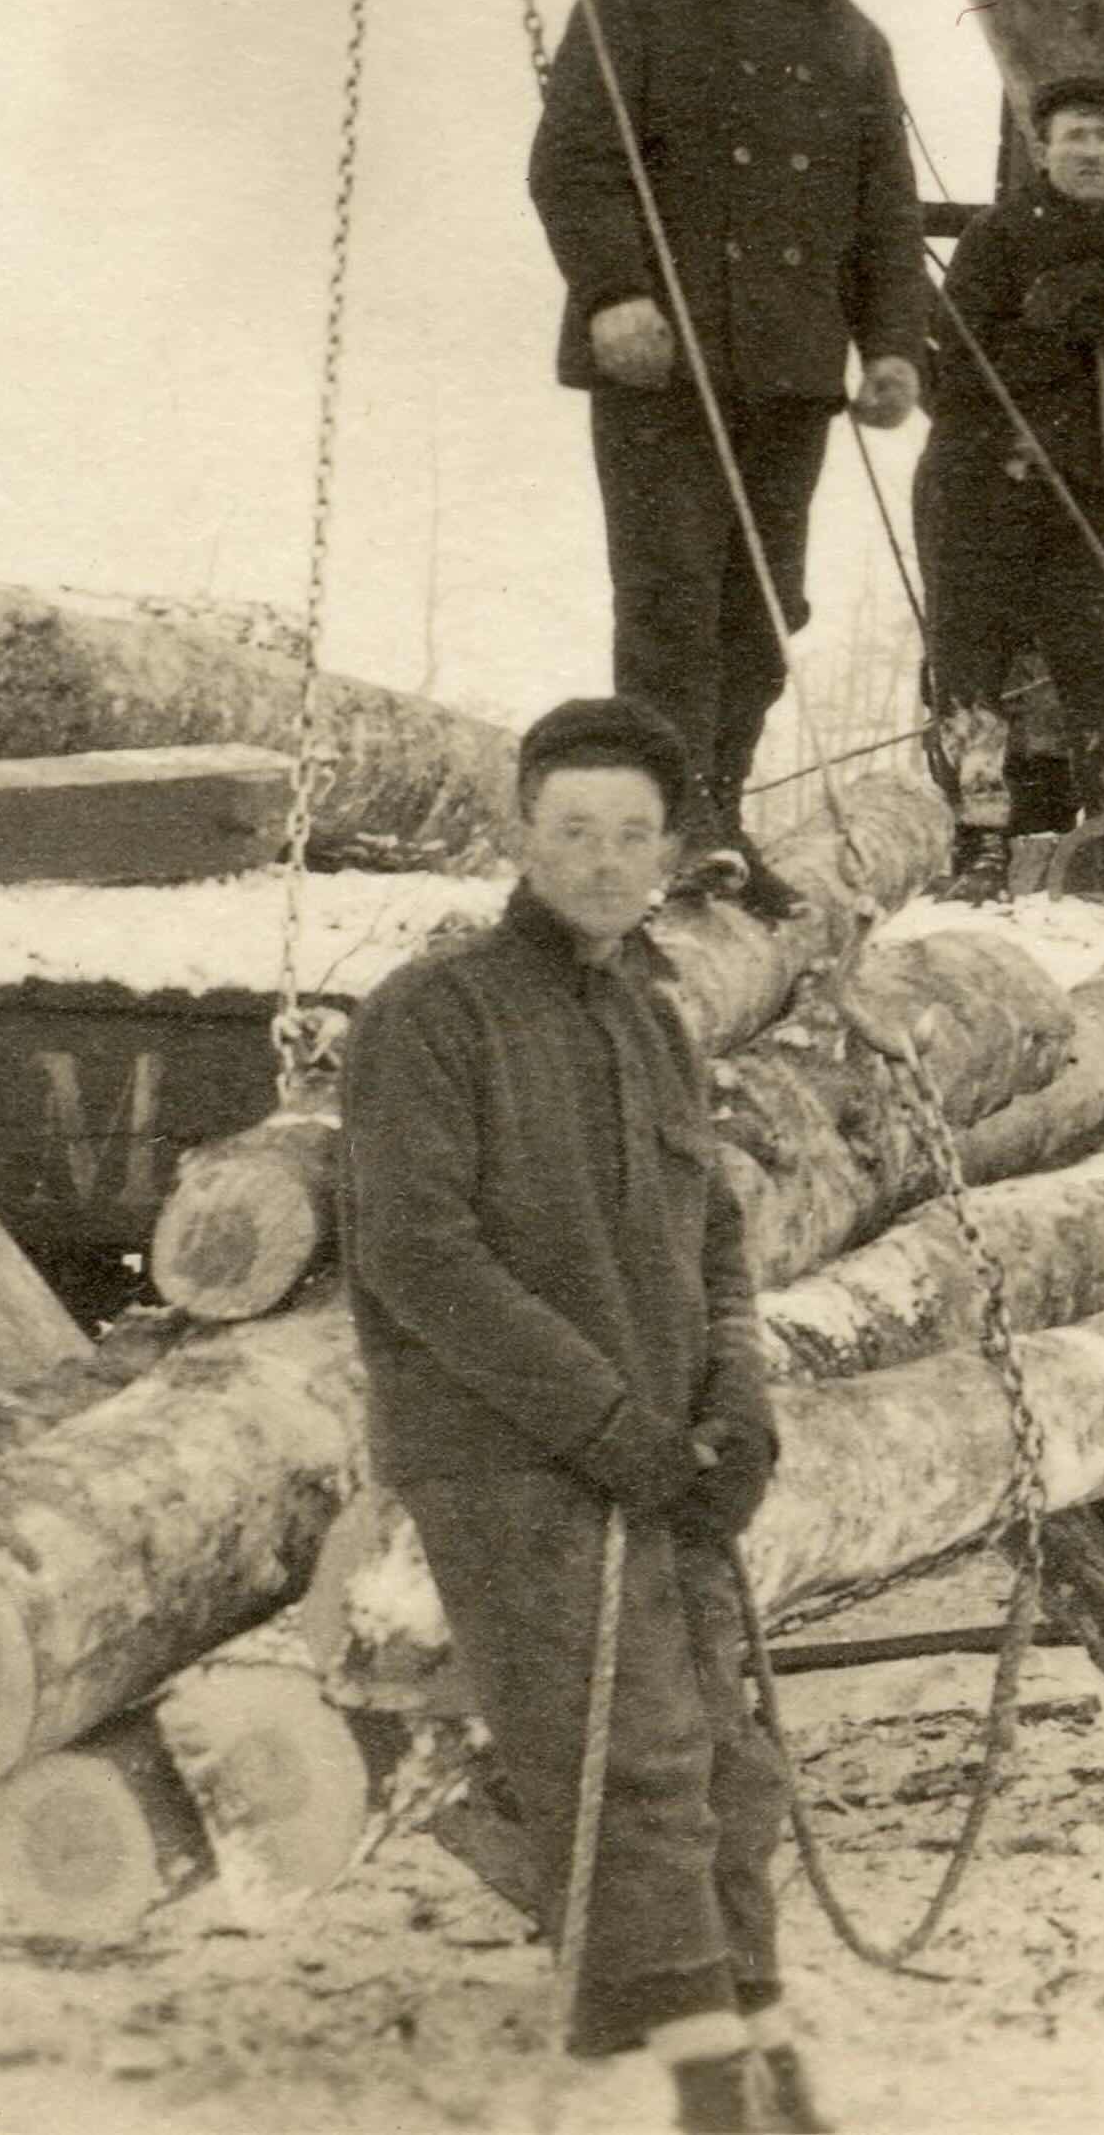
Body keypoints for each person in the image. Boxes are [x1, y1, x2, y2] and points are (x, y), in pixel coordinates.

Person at [329, 696, 819, 2130]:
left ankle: (747, 2039)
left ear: (669, 852)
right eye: (571, 831)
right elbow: (419, 1255)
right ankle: (709, 2088)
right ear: (521, 839)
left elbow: (713, 1240)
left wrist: (737, 1400)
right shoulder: (431, 1016)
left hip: (662, 1453)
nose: (601, 861)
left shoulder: (652, 1021)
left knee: (728, 1764)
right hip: (507, 1458)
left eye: (629, 835)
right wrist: (612, 1427)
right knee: (636, 1760)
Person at [529, 0, 928, 898]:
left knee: (759, 610)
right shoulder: (632, 3)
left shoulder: (856, 43)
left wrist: (893, 347)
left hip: (792, 373)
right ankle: (669, 826)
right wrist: (613, 295)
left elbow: (884, 214)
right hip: (662, 365)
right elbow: (573, 165)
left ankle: (721, 822)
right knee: (669, 599)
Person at [922, 70, 1104, 878]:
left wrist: (1101, 294)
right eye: (1073, 136)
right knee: (973, 665)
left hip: (1082, 482)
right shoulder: (998, 236)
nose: (1090, 151)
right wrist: (1055, 343)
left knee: (1095, 661)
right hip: (986, 478)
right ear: (1042, 149)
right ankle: (978, 841)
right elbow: (958, 355)